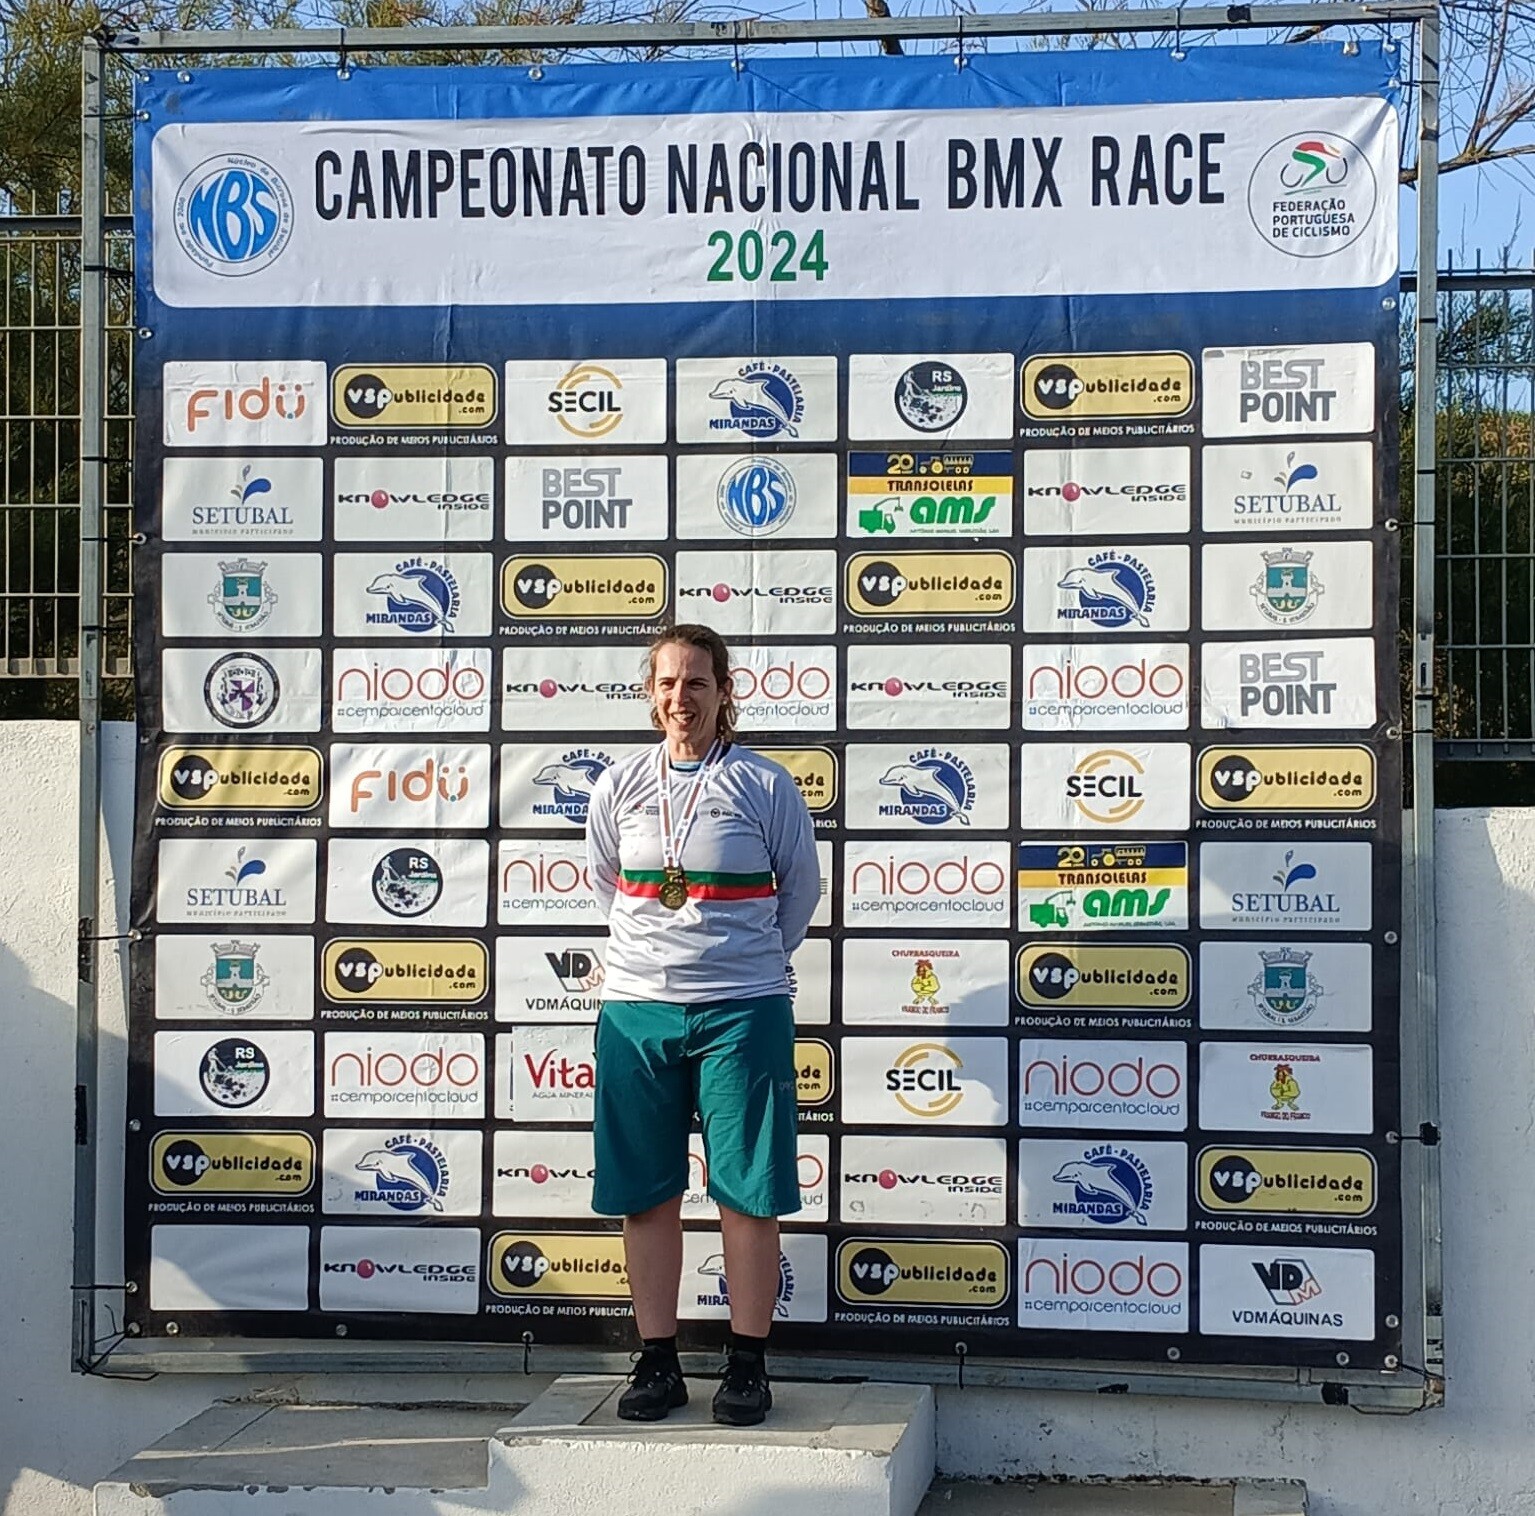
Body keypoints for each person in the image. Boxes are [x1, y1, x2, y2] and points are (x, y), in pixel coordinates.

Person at [585, 623, 821, 1428]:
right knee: (644, 1193)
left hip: (742, 1010)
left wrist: (739, 964)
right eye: (666, 683)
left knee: (747, 1194)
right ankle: (657, 1361)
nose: (679, 697)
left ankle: (746, 1365)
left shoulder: (763, 784)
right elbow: (608, 884)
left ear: (724, 692)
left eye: (695, 682)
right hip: (636, 1009)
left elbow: (798, 893)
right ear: (648, 695)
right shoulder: (620, 783)